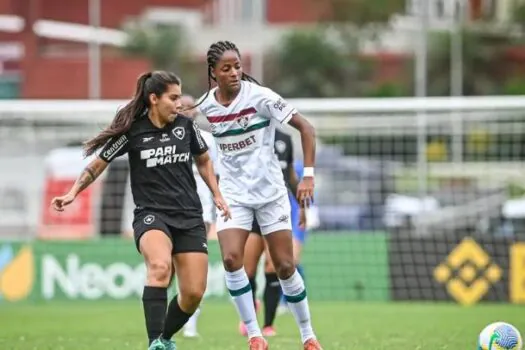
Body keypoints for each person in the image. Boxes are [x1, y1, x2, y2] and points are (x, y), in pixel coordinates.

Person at [50, 71, 230, 350]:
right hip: (152, 215)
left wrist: (217, 195)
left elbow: (204, 160)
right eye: (173, 98)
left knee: (193, 293)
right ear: (154, 98)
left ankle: (165, 338)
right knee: (159, 268)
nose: (179, 104)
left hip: (189, 216)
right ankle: (154, 342)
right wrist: (73, 192)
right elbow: (98, 163)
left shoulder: (186, 126)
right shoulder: (134, 131)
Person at [194, 40, 323, 350]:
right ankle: (255, 335)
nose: (235, 73)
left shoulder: (261, 98)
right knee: (230, 259)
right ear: (214, 73)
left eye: (238, 66)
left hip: (271, 196)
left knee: (284, 267)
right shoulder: (206, 107)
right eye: (226, 69)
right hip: (234, 196)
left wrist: (308, 176)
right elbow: (186, 126)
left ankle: (308, 335)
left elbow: (306, 127)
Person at [240, 129, 303, 338]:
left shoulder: (284, 139)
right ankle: (249, 318)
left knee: (273, 266)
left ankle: (268, 324)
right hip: (252, 211)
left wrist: (302, 206)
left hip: (276, 211)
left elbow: (291, 174)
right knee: (247, 269)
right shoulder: (245, 136)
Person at [178, 93, 218, 338]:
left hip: (200, 211)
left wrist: (218, 203)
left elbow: (217, 175)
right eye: (178, 106)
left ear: (195, 111)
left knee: (193, 268)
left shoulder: (208, 140)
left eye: (187, 107)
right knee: (169, 267)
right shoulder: (165, 140)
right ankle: (167, 318)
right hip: (169, 210)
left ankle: (191, 320)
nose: (183, 110)